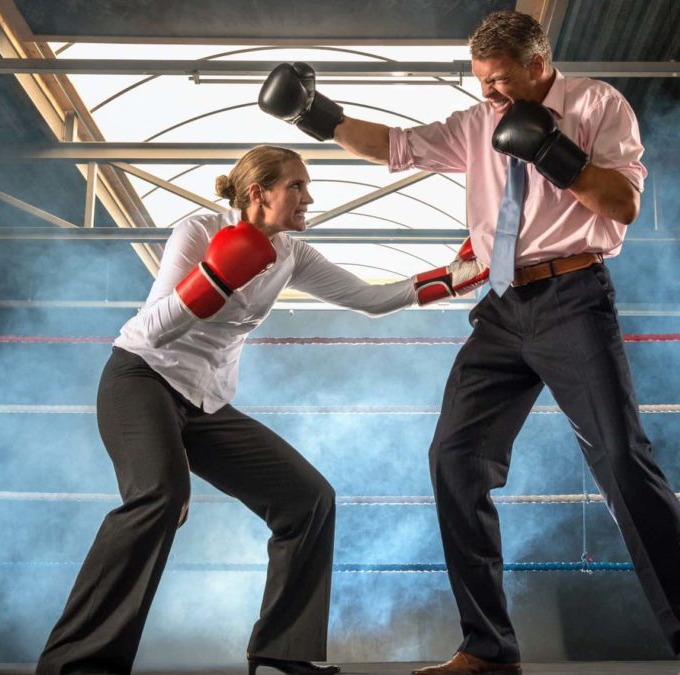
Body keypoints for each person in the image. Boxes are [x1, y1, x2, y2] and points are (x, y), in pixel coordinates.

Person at [258, 11, 680, 675]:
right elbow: (394, 145)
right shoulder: (477, 122)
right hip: (502, 309)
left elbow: (622, 204)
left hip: (573, 299)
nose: (493, 97)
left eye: (503, 82)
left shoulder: (598, 103)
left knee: (623, 459)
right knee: (455, 458)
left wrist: (554, 151)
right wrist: (316, 114)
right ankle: (487, 646)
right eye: (483, 83)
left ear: (540, 65)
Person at [36, 145, 486, 675]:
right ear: (259, 192)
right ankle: (76, 663)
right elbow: (155, 328)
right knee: (159, 496)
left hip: (204, 401)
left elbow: (371, 299)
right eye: (296, 185)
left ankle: (281, 649)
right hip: (140, 377)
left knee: (308, 499)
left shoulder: (292, 254)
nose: (308, 197)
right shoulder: (198, 230)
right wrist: (216, 276)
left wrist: (454, 276)